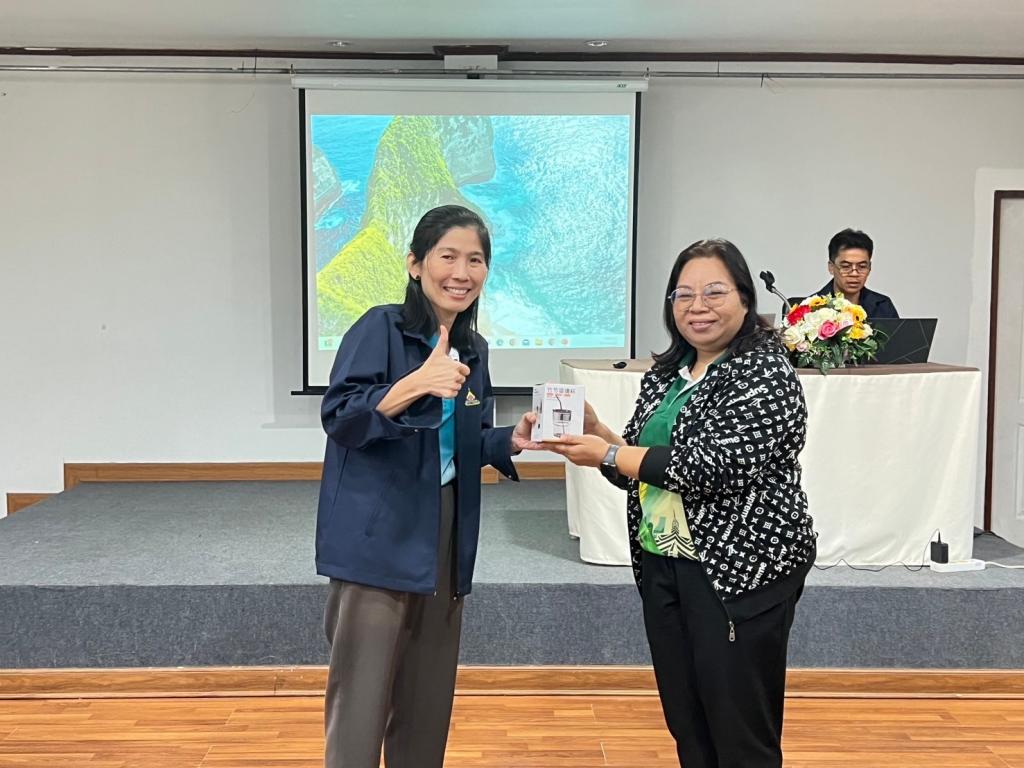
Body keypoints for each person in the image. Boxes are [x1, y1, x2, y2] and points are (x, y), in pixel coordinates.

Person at [542, 239, 817, 768]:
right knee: (688, 724)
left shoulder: (765, 371)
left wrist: (611, 453)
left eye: (714, 292)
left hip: (738, 571)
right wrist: (601, 436)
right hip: (664, 563)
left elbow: (710, 468)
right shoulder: (669, 372)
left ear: (744, 298)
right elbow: (647, 471)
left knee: (740, 733)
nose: (697, 306)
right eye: (683, 294)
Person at [315, 204, 535, 768]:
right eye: (448, 257)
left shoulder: (474, 348)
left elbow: (465, 441)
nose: (462, 272)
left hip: (445, 530)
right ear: (416, 264)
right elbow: (341, 416)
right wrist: (416, 383)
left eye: (475, 260)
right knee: (361, 701)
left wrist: (511, 439)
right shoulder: (380, 327)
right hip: (378, 534)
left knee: (427, 700)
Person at [811, 228, 898, 318]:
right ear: (831, 267)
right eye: (846, 266)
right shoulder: (811, 307)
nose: (854, 274)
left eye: (862, 266)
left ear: (870, 267)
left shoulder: (883, 307)